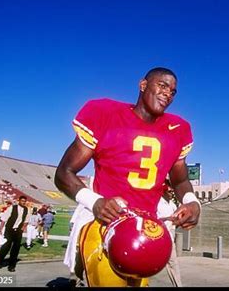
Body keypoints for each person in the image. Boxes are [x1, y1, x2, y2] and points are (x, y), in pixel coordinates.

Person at [55, 67, 201, 287]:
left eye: (172, 92)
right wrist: (95, 202)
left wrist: (192, 202)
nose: (167, 94)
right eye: (162, 86)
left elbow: (179, 180)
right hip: (105, 223)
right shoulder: (105, 114)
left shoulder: (177, 129)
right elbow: (64, 173)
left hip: (145, 229)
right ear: (143, 85)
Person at [0, 195, 30, 272]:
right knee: (6, 246)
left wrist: (23, 229)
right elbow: (4, 219)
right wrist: (0, 229)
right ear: (19, 201)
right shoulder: (12, 208)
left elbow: (26, 221)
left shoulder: (27, 210)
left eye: (24, 201)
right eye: (22, 201)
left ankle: (11, 266)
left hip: (18, 231)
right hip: (9, 230)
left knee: (15, 249)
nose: (23, 202)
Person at [157, 185, 183, 287]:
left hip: (169, 240)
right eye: (169, 191)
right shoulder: (157, 203)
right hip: (156, 240)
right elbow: (153, 219)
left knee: (173, 264)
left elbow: (175, 223)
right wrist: (168, 218)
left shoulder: (173, 205)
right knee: (147, 265)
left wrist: (180, 220)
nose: (172, 192)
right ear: (163, 191)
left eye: (172, 191)